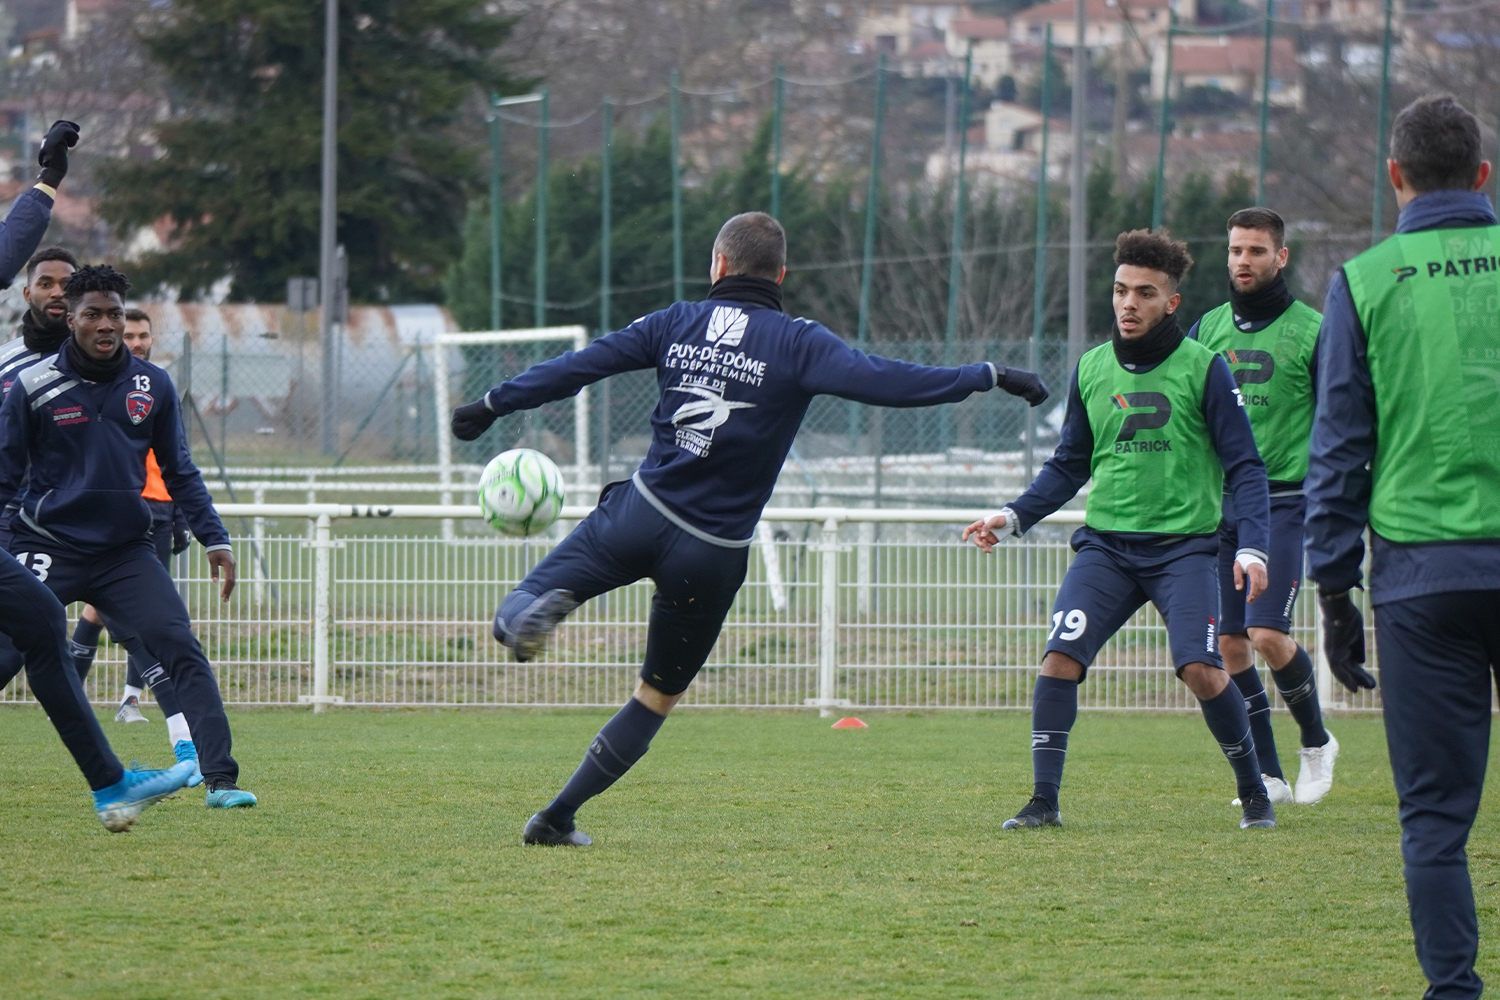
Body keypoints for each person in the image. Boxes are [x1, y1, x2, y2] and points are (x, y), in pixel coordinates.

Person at [450, 211, 1049, 846]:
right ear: (781, 276)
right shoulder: (800, 343)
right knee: (655, 696)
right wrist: (988, 375)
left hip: (640, 514)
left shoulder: (675, 322)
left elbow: (579, 366)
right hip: (711, 553)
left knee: (525, 599)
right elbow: (892, 382)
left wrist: (490, 404)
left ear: (718, 264)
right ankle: (556, 817)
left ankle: (526, 616)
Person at [963, 229, 1275, 832]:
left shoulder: (1205, 369)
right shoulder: (1092, 367)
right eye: (1121, 290)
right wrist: (1014, 515)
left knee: (1201, 669)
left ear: (1171, 302)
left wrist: (1254, 546)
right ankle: (1044, 802)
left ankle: (1254, 792)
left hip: (1185, 551)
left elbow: (1246, 467)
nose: (1129, 303)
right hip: (1106, 549)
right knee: (1059, 658)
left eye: (1145, 293)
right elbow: (1069, 464)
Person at [1306, 93, 1500, 1000]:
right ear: (1483, 175)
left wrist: (1334, 590)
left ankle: (1453, 991)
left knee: (1434, 820)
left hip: (1422, 580)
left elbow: (1339, 449)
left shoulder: (1365, 281)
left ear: (1395, 177)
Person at [0, 264, 256, 809]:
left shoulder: (152, 384)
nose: (106, 324)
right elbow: (4, 477)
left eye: (114, 314)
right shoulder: (32, 387)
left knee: (179, 645)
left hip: (124, 553)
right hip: (46, 543)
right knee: (5, 654)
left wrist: (214, 537)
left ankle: (221, 781)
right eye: (93, 314)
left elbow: (180, 470)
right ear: (71, 319)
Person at [1187, 207, 1336, 807]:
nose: (1243, 261)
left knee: (1268, 632)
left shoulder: (1314, 331)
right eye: (1235, 250)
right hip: (1221, 507)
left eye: (1255, 250)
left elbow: (1339, 420)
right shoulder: (1206, 329)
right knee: (1229, 646)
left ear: (1281, 257)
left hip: (1284, 503)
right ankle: (1270, 775)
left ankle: (1317, 741)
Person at [68, 307, 196, 729]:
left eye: (144, 336)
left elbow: (176, 461)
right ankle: (83, 694)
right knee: (115, 611)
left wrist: (180, 516)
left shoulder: (157, 387)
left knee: (108, 610)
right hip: (117, 511)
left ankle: (123, 699)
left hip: (158, 510)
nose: (137, 343)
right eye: (131, 336)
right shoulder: (95, 387)